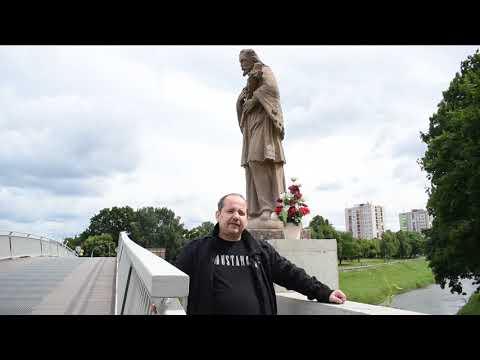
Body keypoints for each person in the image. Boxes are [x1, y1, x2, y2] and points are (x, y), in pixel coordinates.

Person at [175, 193, 347, 315]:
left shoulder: (260, 251)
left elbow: (291, 274)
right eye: (230, 211)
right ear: (218, 215)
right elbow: (172, 280)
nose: (236, 216)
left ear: (246, 220)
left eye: (241, 213)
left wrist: (324, 292)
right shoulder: (197, 250)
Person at [236, 49, 286, 224]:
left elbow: (272, 88)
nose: (241, 64)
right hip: (252, 125)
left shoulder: (264, 70)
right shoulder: (250, 79)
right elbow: (244, 102)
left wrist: (254, 99)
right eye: (240, 61)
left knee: (260, 159)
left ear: (252, 59)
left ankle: (269, 208)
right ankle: (257, 209)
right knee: (253, 162)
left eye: (243, 60)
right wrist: (241, 101)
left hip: (264, 124)